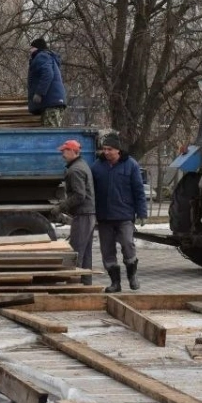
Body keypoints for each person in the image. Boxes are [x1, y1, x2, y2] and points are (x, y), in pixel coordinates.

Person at [91, 135, 146, 293]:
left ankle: (132, 275)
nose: (106, 152)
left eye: (110, 149)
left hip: (124, 215)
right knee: (107, 251)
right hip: (104, 217)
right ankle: (115, 283)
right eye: (104, 149)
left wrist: (142, 212)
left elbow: (138, 190)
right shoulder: (97, 166)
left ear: (118, 150)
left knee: (128, 245)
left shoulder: (131, 165)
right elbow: (91, 190)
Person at [53, 139, 96, 285]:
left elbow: (79, 195)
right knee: (86, 253)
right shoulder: (82, 165)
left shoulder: (75, 170)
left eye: (64, 151)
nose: (62, 155)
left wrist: (61, 207)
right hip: (88, 214)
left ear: (72, 151)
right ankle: (86, 283)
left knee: (76, 251)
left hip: (83, 215)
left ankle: (74, 285)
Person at [27, 38, 67, 127]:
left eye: (31, 48)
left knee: (50, 134)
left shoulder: (41, 56)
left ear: (37, 48)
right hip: (54, 102)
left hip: (51, 103)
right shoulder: (48, 57)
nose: (30, 50)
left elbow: (48, 74)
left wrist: (39, 93)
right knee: (51, 130)